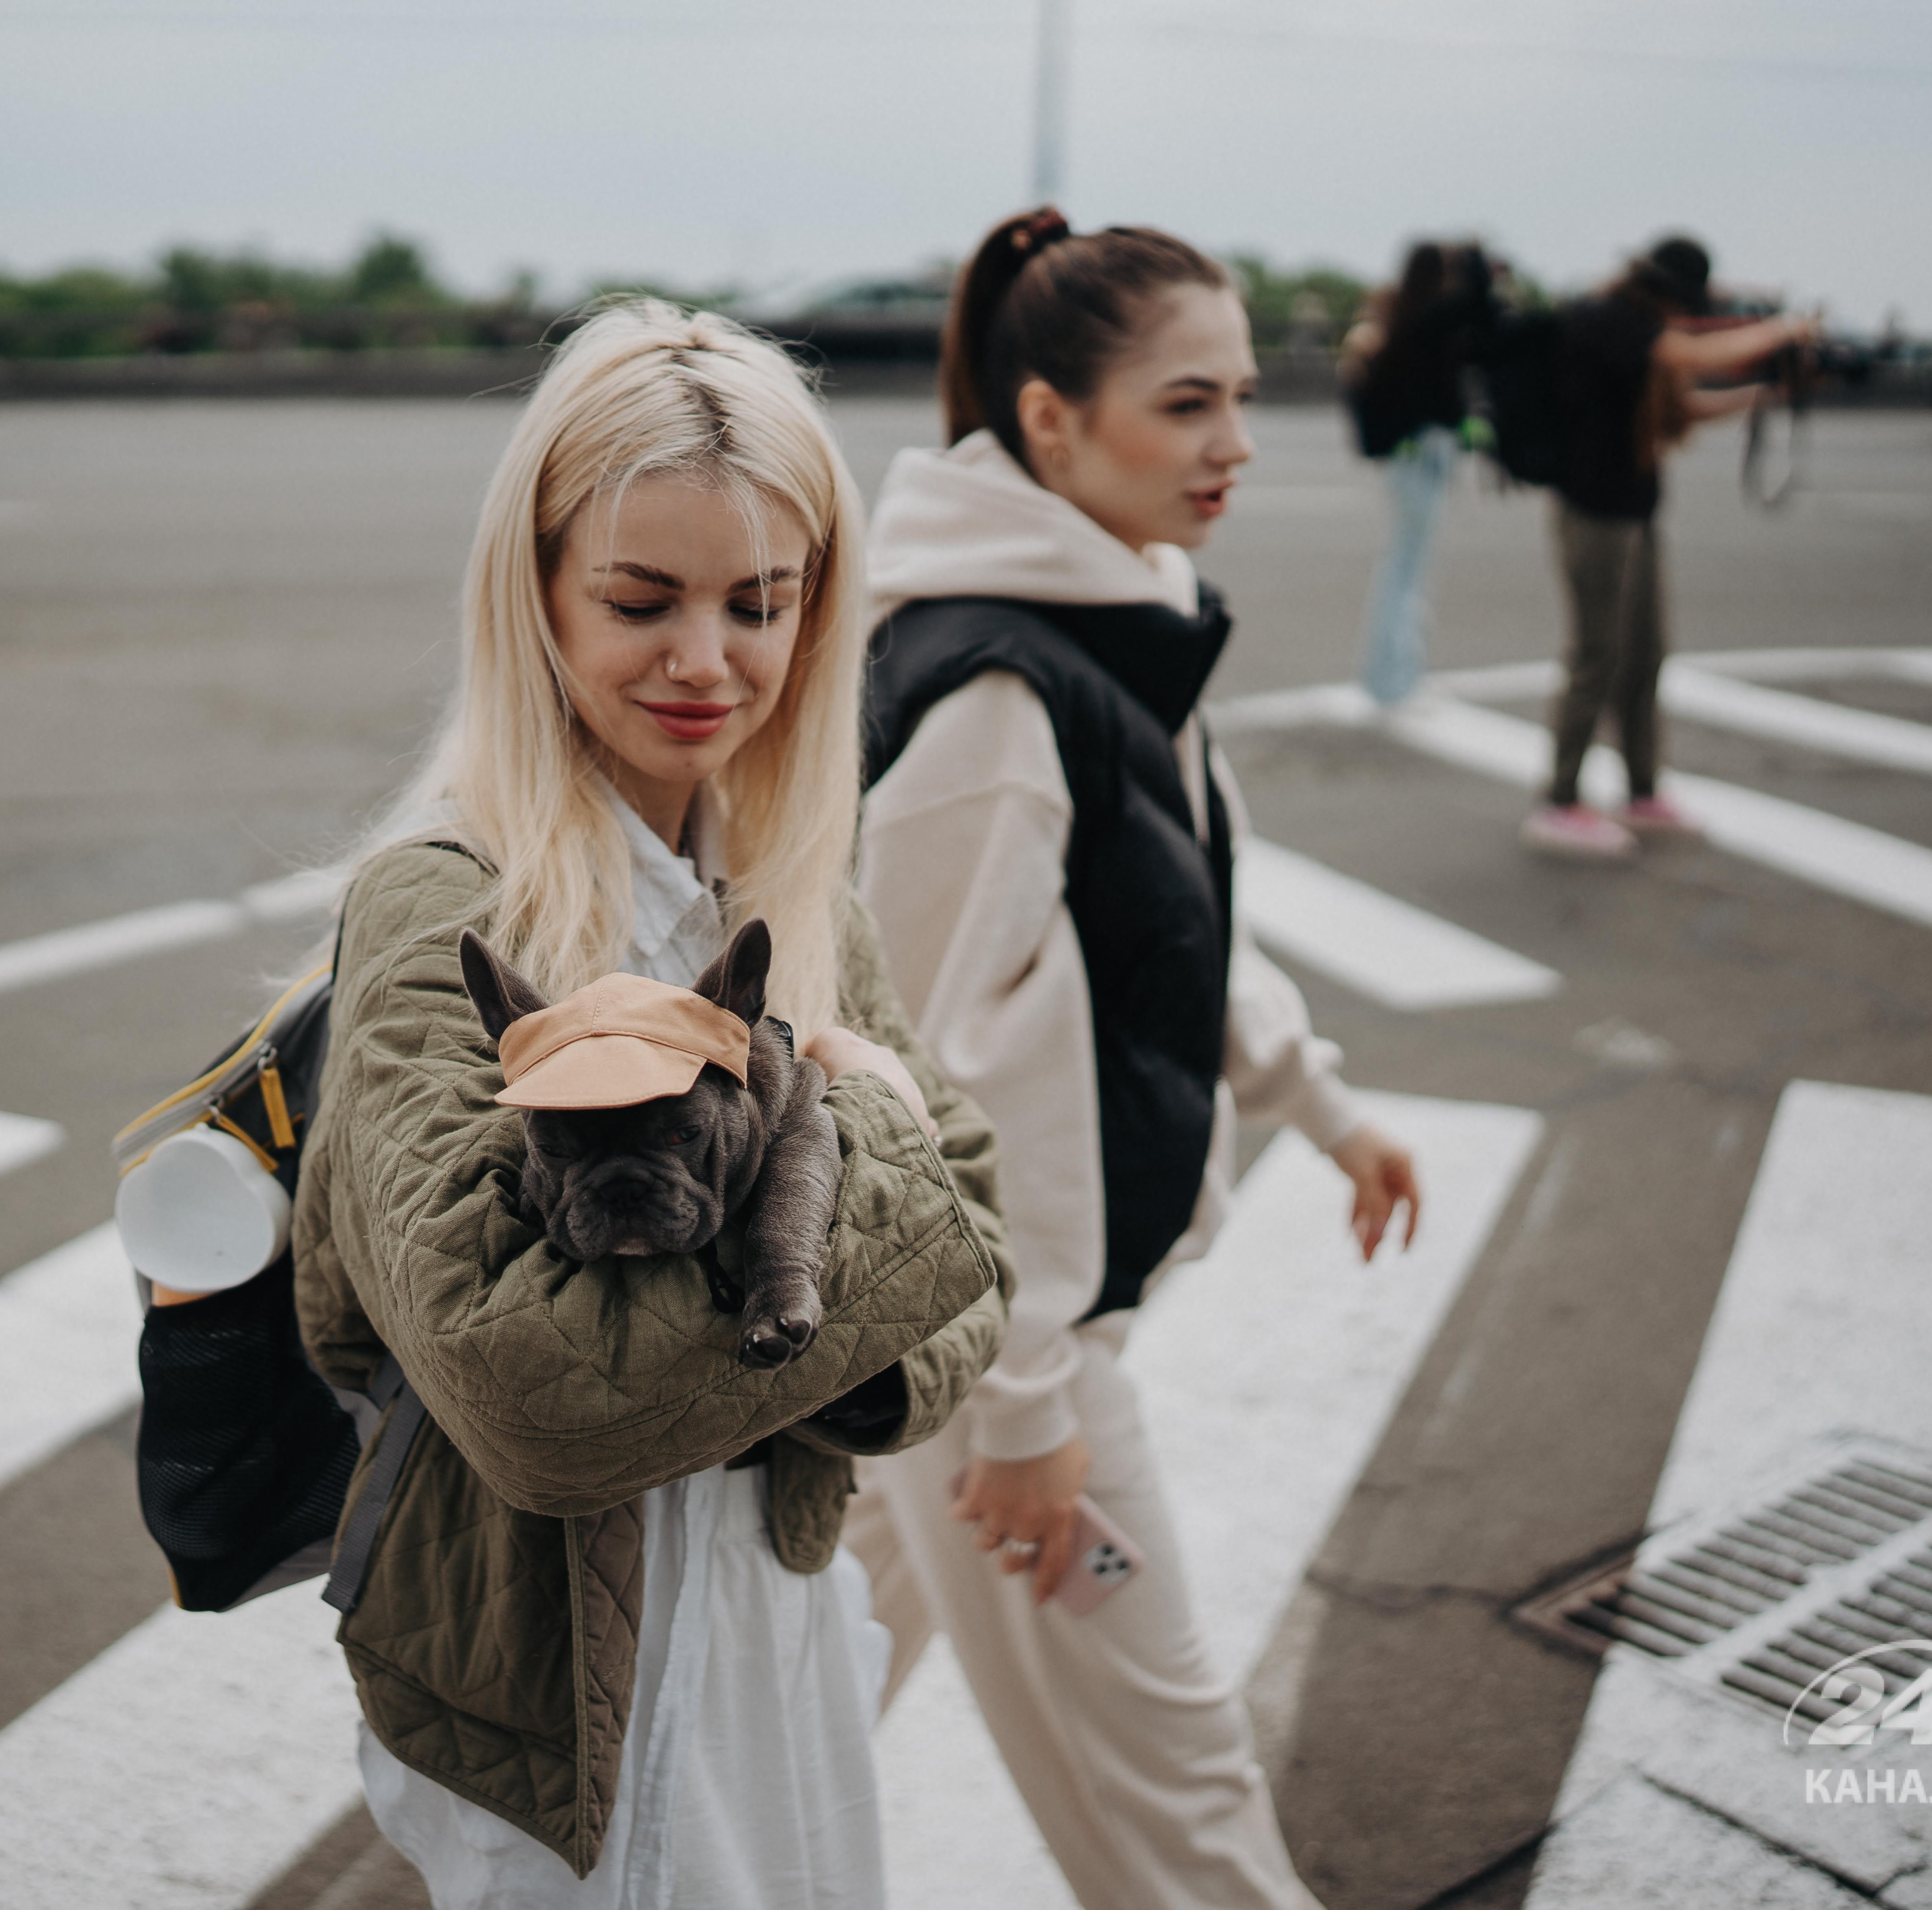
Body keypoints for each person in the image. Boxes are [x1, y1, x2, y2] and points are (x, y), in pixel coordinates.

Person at [287, 299, 1012, 1908]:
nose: (706, 659)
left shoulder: (795, 893)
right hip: (555, 1697)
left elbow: (984, 1267)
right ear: (535, 593)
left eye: (761, 604)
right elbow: (529, 1399)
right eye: (640, 600)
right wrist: (864, 1171)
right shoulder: (441, 908)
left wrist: (829, 1351)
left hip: (778, 1611)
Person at [844, 207, 1427, 1910]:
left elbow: (1179, 912)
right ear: (1050, 420)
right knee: (1178, 1798)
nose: (1235, 443)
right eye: (1186, 404)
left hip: (958, 1354)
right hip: (993, 1358)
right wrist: (1023, 1405)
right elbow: (928, 1093)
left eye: (1241, 397)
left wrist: (1316, 1100)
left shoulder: (1120, 613)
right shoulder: (1000, 701)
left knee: (773, 1705)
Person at [1521, 234, 1814, 859]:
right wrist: (1782, 331)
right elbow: (1690, 355)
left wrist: (1764, 394)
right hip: (1594, 513)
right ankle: (1560, 801)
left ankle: (1642, 790)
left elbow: (1684, 409)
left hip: (1636, 513)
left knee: (1645, 655)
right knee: (1597, 657)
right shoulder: (1607, 321)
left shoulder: (1639, 331)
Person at [1341, 241, 1489, 705]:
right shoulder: (1429, 323)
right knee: (1408, 570)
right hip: (1425, 456)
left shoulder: (1399, 322)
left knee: (1402, 566)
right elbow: (1478, 304)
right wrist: (1474, 258)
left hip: (1406, 458)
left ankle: (1392, 677)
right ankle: (1396, 682)